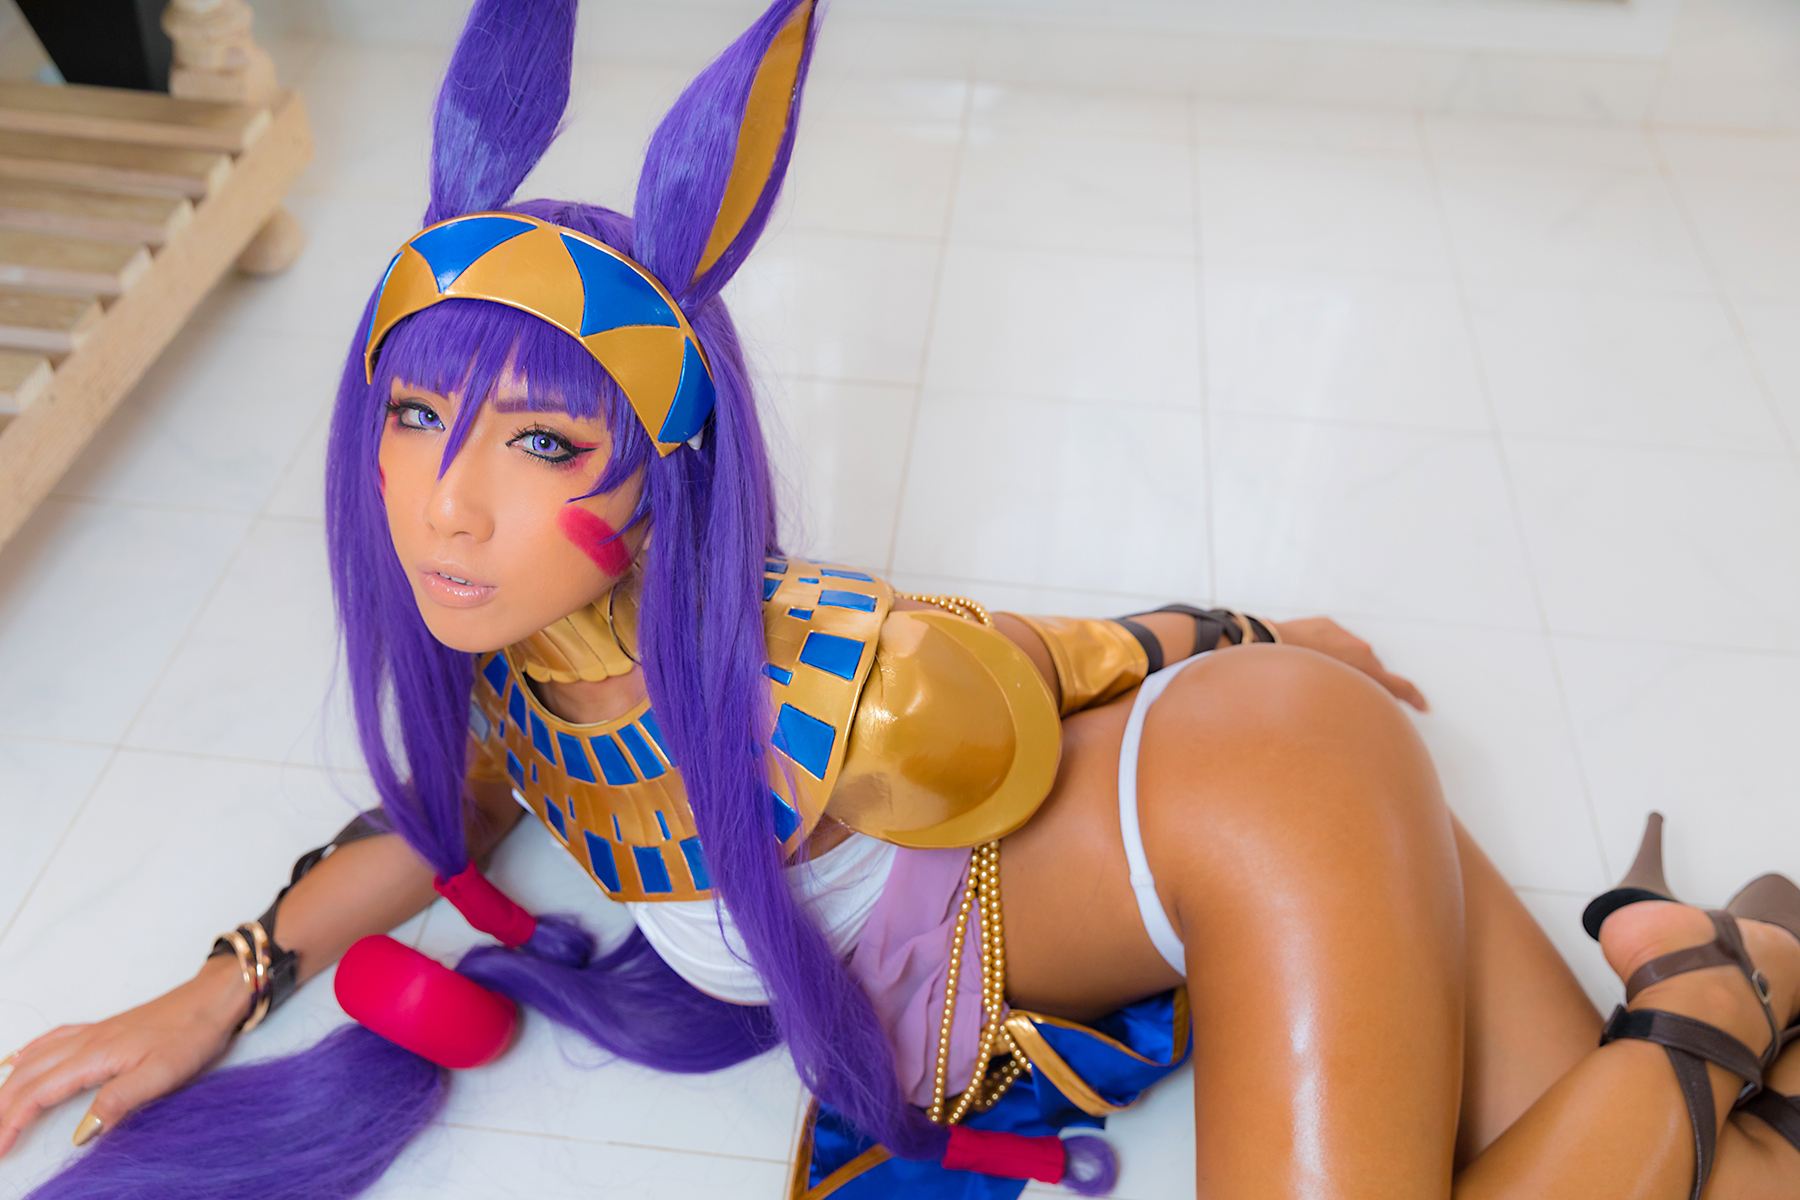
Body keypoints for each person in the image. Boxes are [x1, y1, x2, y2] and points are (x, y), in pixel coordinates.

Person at [2, 1, 1799, 1197]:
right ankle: (1699, 975)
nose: (448, 501)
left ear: (665, 469)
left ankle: (1729, 989)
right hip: (1262, 793)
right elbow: (444, 810)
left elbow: (1031, 661)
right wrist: (224, 987)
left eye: (544, 442)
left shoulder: (821, 674)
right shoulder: (526, 665)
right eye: (414, 416)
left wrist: (1250, 634)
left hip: (1265, 795)